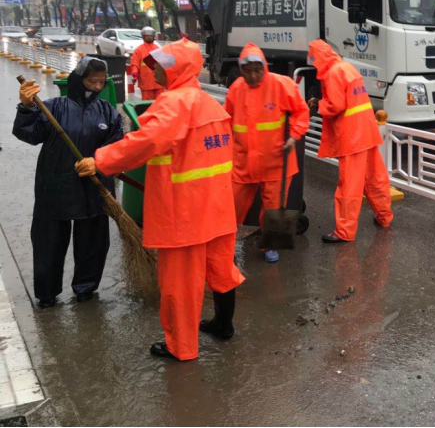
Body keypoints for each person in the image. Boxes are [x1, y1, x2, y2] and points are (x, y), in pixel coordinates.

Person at [75, 39, 244, 361]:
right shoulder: (209, 103)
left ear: (176, 70)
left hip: (185, 214)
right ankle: (224, 325)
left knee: (180, 282)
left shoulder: (173, 104)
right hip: (218, 207)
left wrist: (100, 161)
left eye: (160, 66)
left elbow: (143, 142)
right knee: (221, 268)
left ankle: (181, 347)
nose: (154, 71)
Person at [13, 57, 123, 308]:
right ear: (78, 79)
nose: (97, 86)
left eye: (101, 82)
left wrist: (97, 160)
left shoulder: (108, 112)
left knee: (92, 242)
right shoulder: (54, 107)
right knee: (49, 242)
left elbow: (117, 145)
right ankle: (47, 292)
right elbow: (28, 134)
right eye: (91, 81)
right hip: (55, 186)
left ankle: (85, 287)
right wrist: (27, 107)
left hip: (93, 186)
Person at [225, 43, 310, 263]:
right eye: (247, 70)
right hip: (242, 162)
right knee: (231, 207)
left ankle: (272, 245)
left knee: (275, 207)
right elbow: (227, 120)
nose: (253, 75)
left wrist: (294, 135)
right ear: (240, 70)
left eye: (257, 69)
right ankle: (224, 246)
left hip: (276, 162)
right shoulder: (236, 89)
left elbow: (301, 111)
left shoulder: (282, 85)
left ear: (265, 67)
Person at [306, 39, 393, 243]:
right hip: (367, 130)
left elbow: (335, 105)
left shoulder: (333, 73)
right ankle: (385, 217)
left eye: (314, 61)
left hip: (352, 136)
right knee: (375, 179)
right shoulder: (347, 68)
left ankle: (344, 231)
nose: (314, 65)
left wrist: (318, 105)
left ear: (319, 58)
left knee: (349, 186)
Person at [129, 27, 163, 100]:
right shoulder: (139, 50)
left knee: (160, 103)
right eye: (146, 36)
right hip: (146, 82)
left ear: (154, 37)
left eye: (150, 36)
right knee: (147, 105)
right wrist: (135, 75)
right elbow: (135, 64)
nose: (148, 37)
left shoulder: (158, 49)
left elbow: (163, 64)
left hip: (158, 83)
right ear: (143, 37)